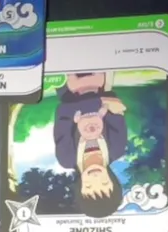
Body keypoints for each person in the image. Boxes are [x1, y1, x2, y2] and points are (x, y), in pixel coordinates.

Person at [54, 72, 127, 218]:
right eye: (104, 183)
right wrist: (99, 104)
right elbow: (115, 105)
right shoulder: (117, 148)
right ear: (113, 180)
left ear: (79, 187)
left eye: (88, 186)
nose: (95, 176)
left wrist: (98, 105)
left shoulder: (66, 158)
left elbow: (62, 112)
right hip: (99, 84)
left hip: (68, 90)